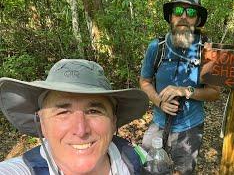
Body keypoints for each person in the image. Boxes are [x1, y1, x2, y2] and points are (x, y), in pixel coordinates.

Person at [0, 59, 149, 175]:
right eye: (63, 112)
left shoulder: (137, 158)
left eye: (94, 111)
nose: (81, 130)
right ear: (42, 123)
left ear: (113, 121)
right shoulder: (19, 170)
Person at [140, 0, 220, 174]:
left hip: (190, 128)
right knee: (147, 168)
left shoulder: (207, 52)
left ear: (197, 19)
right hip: (158, 124)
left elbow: (214, 92)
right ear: (170, 17)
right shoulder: (157, 47)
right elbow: (145, 82)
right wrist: (159, 101)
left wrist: (186, 90)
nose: (183, 16)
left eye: (190, 12)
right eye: (178, 10)